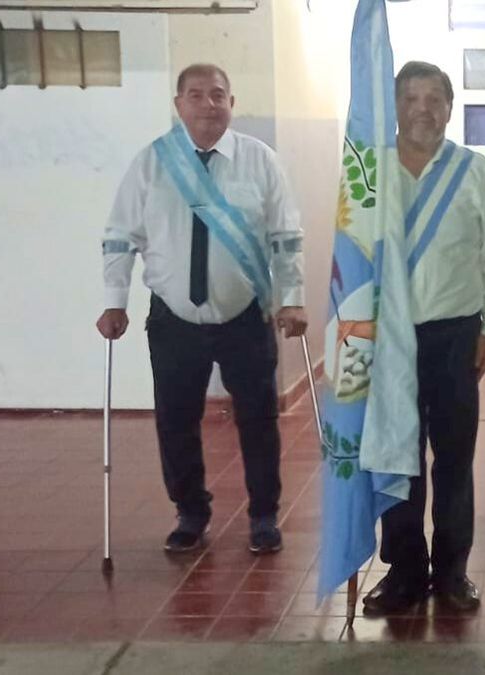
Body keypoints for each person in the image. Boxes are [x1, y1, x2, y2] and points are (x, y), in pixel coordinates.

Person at [97, 64, 307, 555]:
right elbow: (119, 236)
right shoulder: (151, 163)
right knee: (176, 419)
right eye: (196, 95)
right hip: (174, 319)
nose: (208, 104)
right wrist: (114, 301)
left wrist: (292, 298)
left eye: (218, 95)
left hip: (245, 317)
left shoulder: (260, 161)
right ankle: (191, 512)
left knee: (258, 419)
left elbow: (286, 237)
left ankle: (262, 516)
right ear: (179, 104)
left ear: (232, 102)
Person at [361, 61, 485, 616]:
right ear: (395, 106)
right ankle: (403, 572)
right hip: (387, 336)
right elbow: (350, 258)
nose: (423, 109)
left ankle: (451, 571)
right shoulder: (367, 171)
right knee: (397, 454)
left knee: (453, 456)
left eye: (435, 99)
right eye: (412, 97)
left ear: (450, 108)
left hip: (455, 334)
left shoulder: (472, 171)